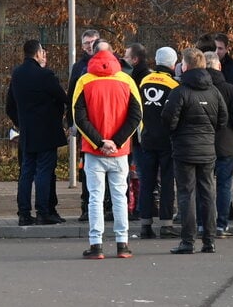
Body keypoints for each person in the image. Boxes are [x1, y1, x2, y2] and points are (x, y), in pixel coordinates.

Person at [72, 44, 143, 259]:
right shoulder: (127, 80)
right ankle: (123, 243)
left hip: (93, 151)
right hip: (120, 152)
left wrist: (99, 142)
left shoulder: (84, 81)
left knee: (95, 197)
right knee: (120, 196)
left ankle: (96, 244)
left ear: (93, 54)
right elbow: (136, 115)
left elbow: (79, 117)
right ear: (114, 55)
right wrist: (117, 141)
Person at [161, 48, 227, 255]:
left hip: (184, 150)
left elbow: (168, 120)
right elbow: (222, 120)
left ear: (186, 66)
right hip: (207, 149)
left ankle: (188, 241)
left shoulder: (180, 92)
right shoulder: (214, 91)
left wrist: (177, 133)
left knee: (186, 194)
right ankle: (209, 240)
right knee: (208, 193)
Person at [6, 39, 68, 226]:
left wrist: (21, 123)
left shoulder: (17, 75)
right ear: (38, 53)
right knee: (44, 172)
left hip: (27, 132)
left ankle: (24, 213)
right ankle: (43, 211)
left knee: (26, 172)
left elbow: (10, 106)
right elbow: (62, 97)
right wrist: (58, 116)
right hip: (47, 131)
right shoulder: (45, 76)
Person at [136, 46, 180, 239]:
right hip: (166, 140)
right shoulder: (173, 86)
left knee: (147, 182)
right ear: (174, 64)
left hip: (146, 138)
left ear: (155, 60)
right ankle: (166, 224)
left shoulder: (144, 81)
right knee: (167, 183)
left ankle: (145, 224)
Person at [203, 52, 233, 238]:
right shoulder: (230, 89)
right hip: (226, 143)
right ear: (219, 67)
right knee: (224, 185)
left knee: (202, 185)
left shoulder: (197, 88)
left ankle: (202, 224)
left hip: (203, 143)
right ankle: (221, 225)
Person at [67, 29, 100, 221]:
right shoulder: (79, 68)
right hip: (85, 125)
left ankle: (108, 205)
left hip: (106, 124)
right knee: (87, 168)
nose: (90, 46)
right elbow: (72, 95)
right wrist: (71, 121)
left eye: (93, 42)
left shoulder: (113, 64)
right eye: (87, 43)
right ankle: (86, 205)